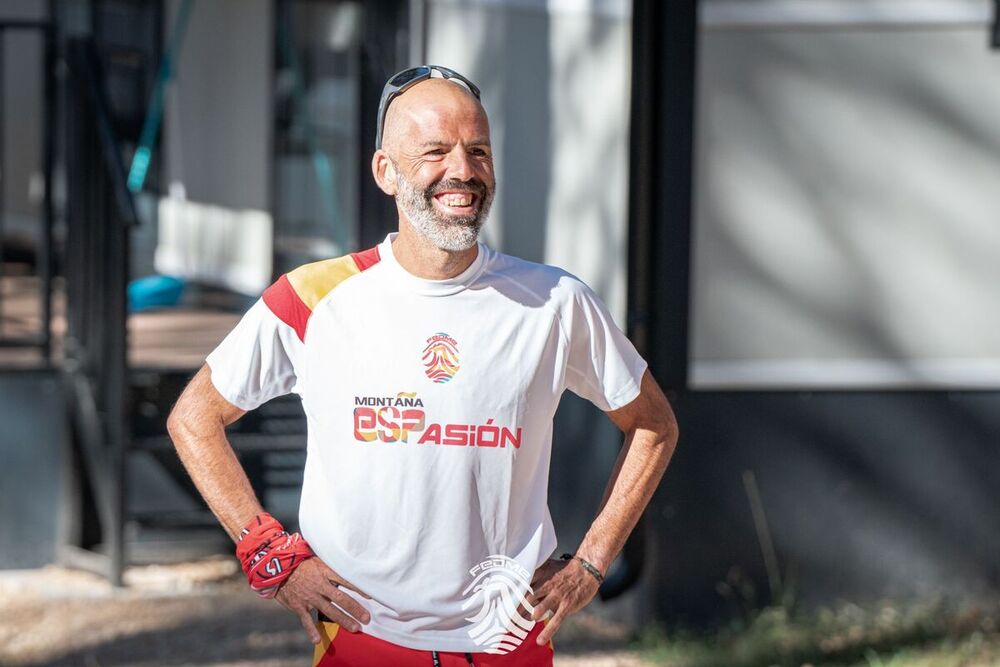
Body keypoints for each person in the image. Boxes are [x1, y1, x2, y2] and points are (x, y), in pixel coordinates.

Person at [167, 65, 678, 667]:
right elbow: (194, 418)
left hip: (507, 641)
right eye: (435, 151)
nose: (462, 170)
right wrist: (270, 557)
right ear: (386, 171)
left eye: (478, 151)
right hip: (360, 639)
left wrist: (592, 562)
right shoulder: (312, 297)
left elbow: (653, 424)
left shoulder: (555, 301)